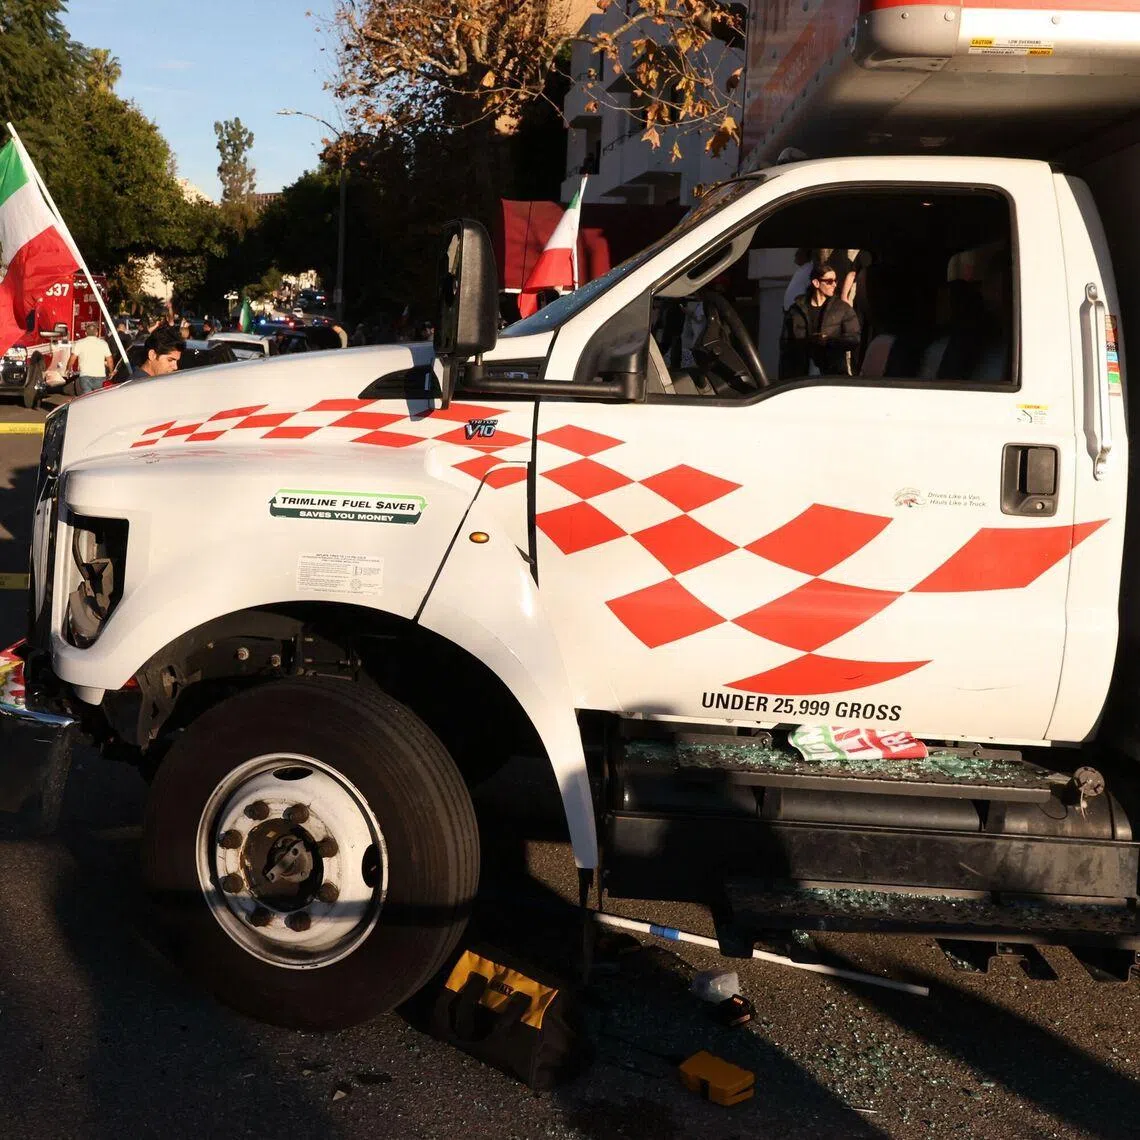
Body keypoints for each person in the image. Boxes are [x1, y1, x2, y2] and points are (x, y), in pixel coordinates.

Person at [780, 260, 861, 379]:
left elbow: (854, 339)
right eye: (829, 281)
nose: (834, 285)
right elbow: (785, 345)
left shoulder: (842, 308)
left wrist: (828, 341)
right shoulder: (796, 310)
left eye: (835, 281)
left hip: (832, 376)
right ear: (816, 283)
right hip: (800, 377)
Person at [67, 321, 113, 394]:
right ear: (96, 333)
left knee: (87, 397)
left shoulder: (79, 343)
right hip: (100, 376)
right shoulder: (103, 343)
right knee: (99, 396)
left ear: (86, 333)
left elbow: (72, 358)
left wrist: (68, 369)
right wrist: (111, 372)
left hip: (85, 376)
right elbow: (109, 360)